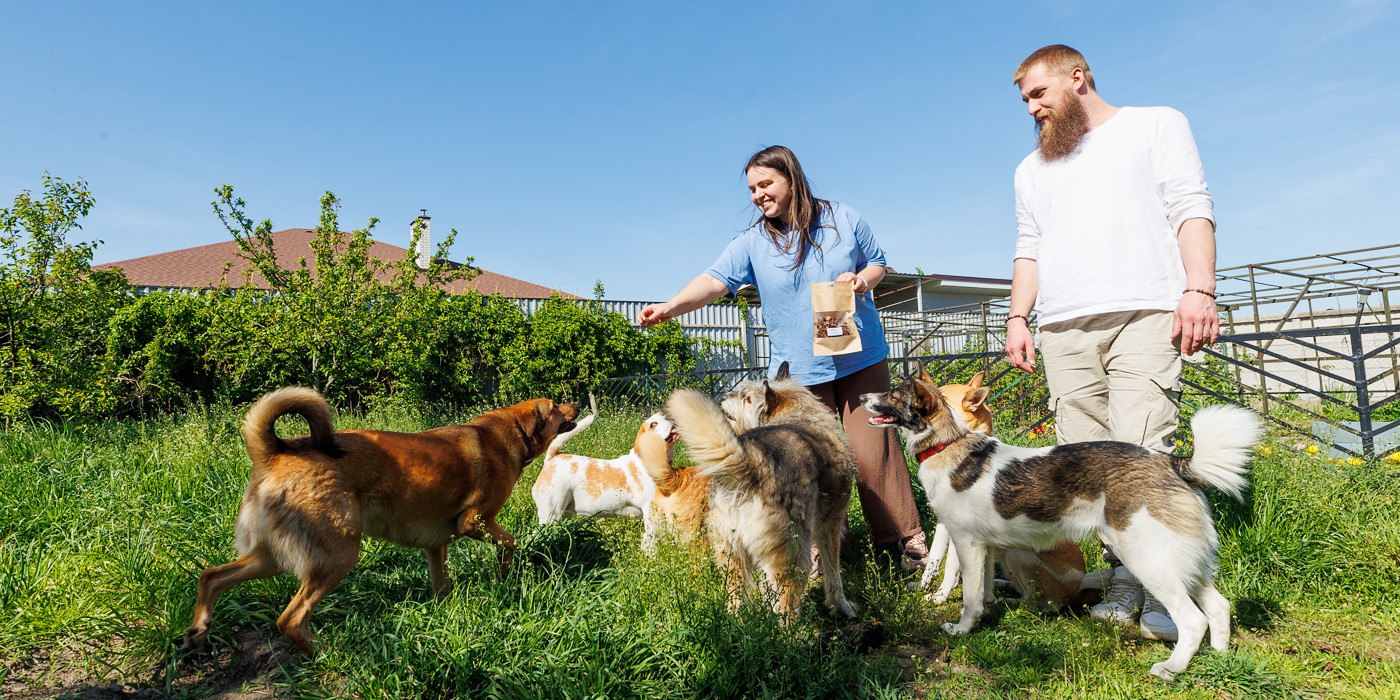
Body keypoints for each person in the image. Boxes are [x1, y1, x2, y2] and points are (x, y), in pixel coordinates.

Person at [1003, 45, 1219, 643]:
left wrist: (1199, 289)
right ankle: (1124, 581)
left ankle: (1162, 591)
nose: (1032, 109)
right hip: (1062, 327)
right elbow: (1029, 248)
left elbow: (1191, 209)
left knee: (1144, 454)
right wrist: (1019, 317)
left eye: (1039, 94)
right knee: (1085, 470)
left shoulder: (1156, 125)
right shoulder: (1030, 170)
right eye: (1024, 100)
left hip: (1144, 312)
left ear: (1078, 78)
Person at [638, 145, 927, 569]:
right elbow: (714, 281)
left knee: (873, 453)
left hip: (860, 357)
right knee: (806, 459)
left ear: (791, 178)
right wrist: (670, 306)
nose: (758, 194)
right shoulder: (753, 242)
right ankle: (819, 550)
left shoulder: (843, 219)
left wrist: (862, 280)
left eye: (766, 183)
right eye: (752, 189)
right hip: (798, 374)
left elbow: (878, 263)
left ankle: (906, 539)